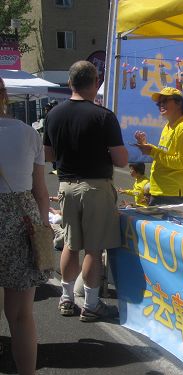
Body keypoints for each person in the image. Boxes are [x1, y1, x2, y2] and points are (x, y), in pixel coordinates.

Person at [43, 60, 128, 322]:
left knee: (70, 244)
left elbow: (48, 155)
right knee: (93, 248)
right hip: (96, 187)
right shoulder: (104, 116)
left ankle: (67, 298)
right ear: (95, 83)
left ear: (70, 83)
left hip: (67, 185)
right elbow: (121, 159)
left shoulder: (54, 115)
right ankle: (91, 304)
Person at [0, 76, 51, 374]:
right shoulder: (28, 134)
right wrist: (43, 224)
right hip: (21, 222)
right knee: (20, 315)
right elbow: (40, 190)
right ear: (4, 96)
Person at [134, 87, 183, 205]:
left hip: (172, 194)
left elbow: (180, 162)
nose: (161, 105)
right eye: (159, 103)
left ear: (179, 103)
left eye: (165, 101)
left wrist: (152, 151)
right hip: (162, 192)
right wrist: (147, 147)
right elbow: (165, 154)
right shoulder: (168, 126)